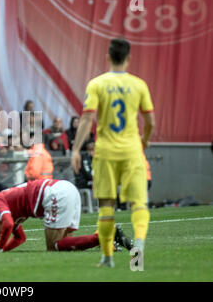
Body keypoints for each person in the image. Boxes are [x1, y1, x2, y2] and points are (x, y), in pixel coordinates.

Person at [71, 38, 155, 268]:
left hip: (106, 152)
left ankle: (107, 257)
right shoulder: (139, 85)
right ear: (128, 59)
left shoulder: (97, 84)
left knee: (106, 205)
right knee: (139, 204)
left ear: (107, 57)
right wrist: (145, 140)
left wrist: (76, 149)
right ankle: (137, 252)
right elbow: (150, 121)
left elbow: (88, 118)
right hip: (131, 151)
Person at [0, 179, 132, 252]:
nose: (2, 234)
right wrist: (6, 249)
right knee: (67, 245)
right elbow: (20, 238)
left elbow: (7, 224)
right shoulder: (8, 213)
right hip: (65, 189)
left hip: (55, 195)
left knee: (53, 246)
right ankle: (108, 243)